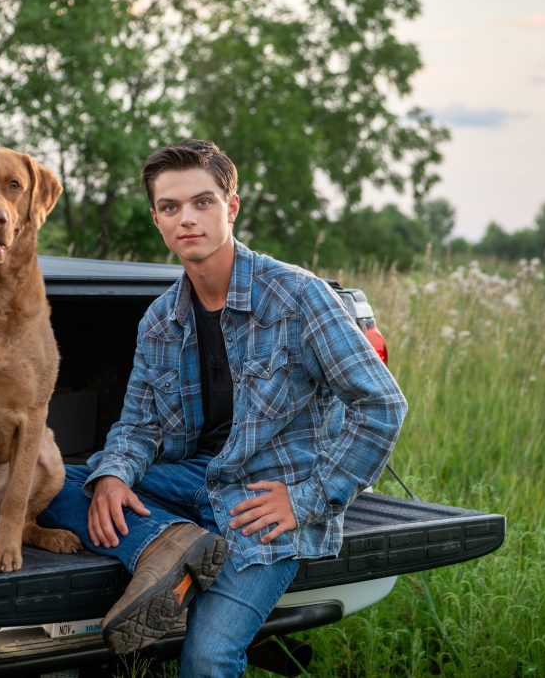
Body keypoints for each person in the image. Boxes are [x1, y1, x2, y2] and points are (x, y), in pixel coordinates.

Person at [39, 139, 408, 677]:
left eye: (203, 202)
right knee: (49, 479)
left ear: (231, 207)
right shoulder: (160, 320)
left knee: (209, 657)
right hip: (192, 483)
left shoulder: (299, 297)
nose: (187, 218)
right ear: (157, 220)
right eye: (170, 207)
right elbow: (138, 423)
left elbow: (381, 404)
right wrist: (114, 475)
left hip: (262, 504)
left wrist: (306, 499)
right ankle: (165, 543)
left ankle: (173, 549)